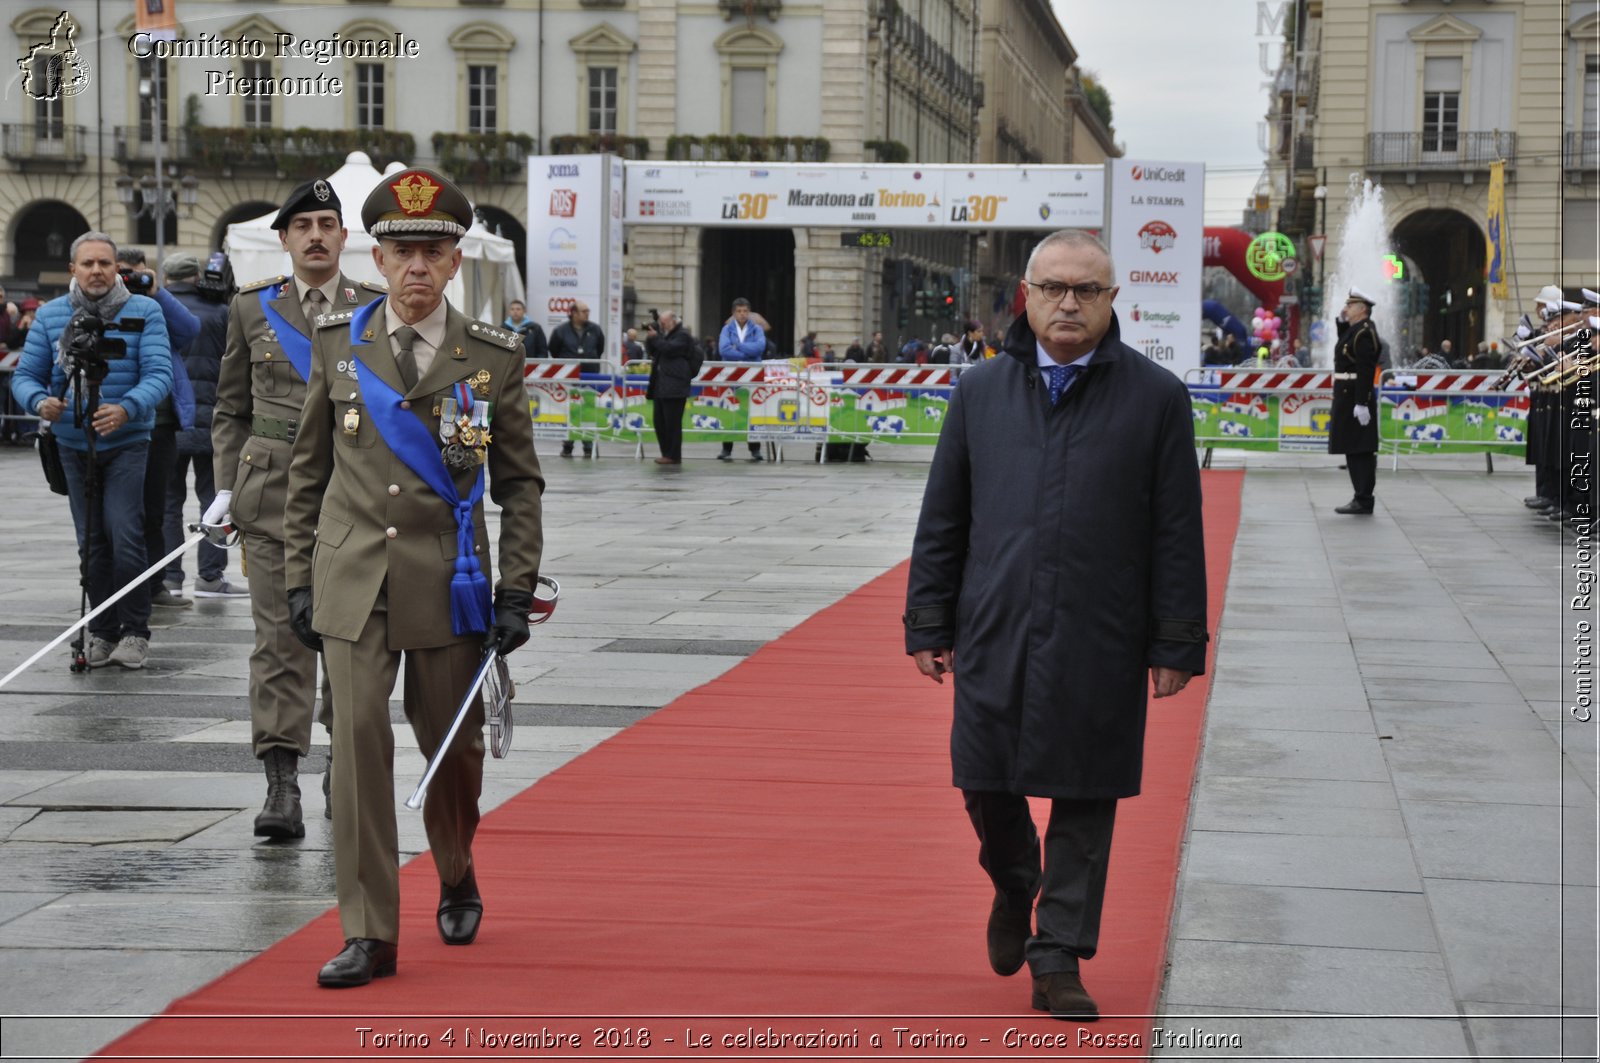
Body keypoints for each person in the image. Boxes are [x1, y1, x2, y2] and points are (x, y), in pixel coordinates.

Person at [902, 229, 1207, 1021]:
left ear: (1112, 303)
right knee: (984, 779)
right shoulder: (980, 392)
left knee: (1086, 794)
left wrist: (1176, 639)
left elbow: (1177, 529)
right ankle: (1014, 882)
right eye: (1054, 288)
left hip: (1100, 631)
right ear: (1026, 296)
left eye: (1088, 290)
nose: (1069, 302)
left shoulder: (1156, 397)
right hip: (994, 623)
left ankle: (1058, 954)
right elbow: (944, 519)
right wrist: (928, 617)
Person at [283, 166, 545, 988]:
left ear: (456, 260)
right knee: (357, 751)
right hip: (353, 578)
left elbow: (518, 482)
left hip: (448, 578)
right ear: (379, 258)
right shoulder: (339, 347)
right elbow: (307, 472)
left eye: (433, 252)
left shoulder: (491, 358)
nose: (417, 269)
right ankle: (370, 933)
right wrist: (299, 579)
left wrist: (517, 588)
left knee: (452, 751)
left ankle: (456, 862)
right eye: (403, 254)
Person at [211, 177, 384, 839]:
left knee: (347, 639)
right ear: (284, 239)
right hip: (274, 496)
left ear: (344, 237)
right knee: (280, 643)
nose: (316, 235)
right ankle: (280, 784)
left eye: (327, 224)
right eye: (303, 225)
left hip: (352, 494)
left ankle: (344, 769)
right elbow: (229, 407)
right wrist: (226, 484)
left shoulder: (374, 308)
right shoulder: (252, 309)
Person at [11, 232, 173, 670]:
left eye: (105, 263)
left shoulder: (144, 310)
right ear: (73, 270)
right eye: (88, 264)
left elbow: (160, 374)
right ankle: (102, 632)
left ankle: (135, 631)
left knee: (125, 535)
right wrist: (38, 401)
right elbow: (25, 376)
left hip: (127, 442)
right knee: (91, 543)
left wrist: (127, 407)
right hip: (71, 443)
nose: (97, 271)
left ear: (117, 267)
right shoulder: (50, 316)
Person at [118, 248, 200, 610]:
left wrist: (156, 290)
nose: (131, 281)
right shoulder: (106, 303)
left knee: (155, 509)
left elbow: (190, 329)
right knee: (121, 511)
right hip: (120, 422)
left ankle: (154, 585)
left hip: (162, 423)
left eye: (137, 274)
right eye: (125, 274)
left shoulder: (157, 305)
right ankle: (120, 588)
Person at [160, 252, 236, 604]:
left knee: (168, 503)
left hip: (172, 420)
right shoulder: (221, 312)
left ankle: (170, 578)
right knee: (213, 498)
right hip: (213, 420)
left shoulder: (156, 308)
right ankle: (210, 576)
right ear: (196, 277)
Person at [1329, 287, 1383, 515]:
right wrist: (1341, 322)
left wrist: (1362, 402)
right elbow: (1345, 346)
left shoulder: (1364, 332)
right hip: (1347, 393)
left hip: (1353, 394)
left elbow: (1365, 368)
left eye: (1350, 306)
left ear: (1362, 310)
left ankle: (1363, 498)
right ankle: (1360, 495)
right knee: (1353, 447)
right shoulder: (1356, 329)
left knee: (1360, 448)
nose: (1346, 308)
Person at [547, 300, 604, 457]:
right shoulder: (561, 331)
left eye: (587, 311)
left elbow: (600, 349)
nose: (587, 314)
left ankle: (588, 444)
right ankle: (568, 444)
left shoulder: (595, 330)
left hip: (589, 377)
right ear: (573, 313)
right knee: (569, 411)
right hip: (568, 378)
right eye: (584, 311)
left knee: (588, 411)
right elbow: (554, 350)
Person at [645, 309, 698, 465]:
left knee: (672, 423)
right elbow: (654, 351)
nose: (662, 325)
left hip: (675, 386)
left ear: (673, 321)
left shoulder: (682, 335)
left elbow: (668, 349)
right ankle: (666, 453)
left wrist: (656, 338)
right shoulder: (664, 335)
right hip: (661, 385)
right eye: (661, 322)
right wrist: (651, 338)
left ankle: (673, 455)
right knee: (659, 422)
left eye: (664, 322)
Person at [716, 298, 765, 462]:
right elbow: (724, 349)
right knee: (730, 410)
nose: (742, 314)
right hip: (731, 375)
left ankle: (755, 449)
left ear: (749, 312)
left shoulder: (757, 329)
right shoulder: (726, 329)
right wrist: (747, 354)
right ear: (733, 313)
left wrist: (737, 345)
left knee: (753, 411)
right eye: (739, 311)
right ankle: (726, 448)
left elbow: (760, 347)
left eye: (745, 311)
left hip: (752, 375)